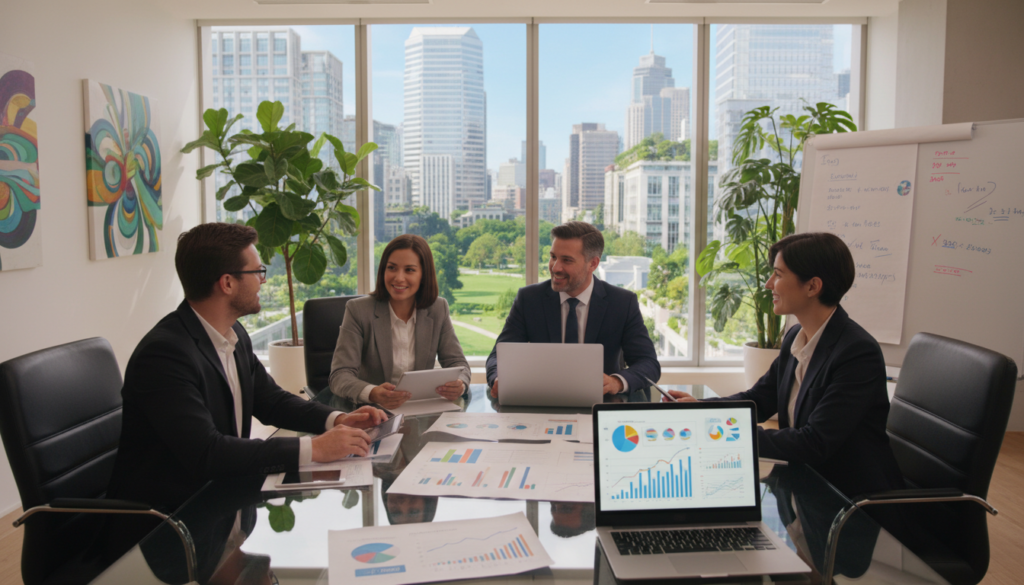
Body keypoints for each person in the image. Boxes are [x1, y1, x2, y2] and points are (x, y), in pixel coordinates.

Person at [106, 223, 385, 553]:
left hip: (221, 507)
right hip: (168, 529)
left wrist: (336, 419)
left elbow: (269, 400)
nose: (263, 281)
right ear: (227, 283)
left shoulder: (231, 334)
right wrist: (315, 450)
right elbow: (207, 453)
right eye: (257, 271)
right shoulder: (165, 355)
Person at [666, 232, 904, 497]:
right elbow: (759, 398)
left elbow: (814, 443)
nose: (769, 284)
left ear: (813, 286)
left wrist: (722, 433)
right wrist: (702, 412)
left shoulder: (857, 353)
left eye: (778, 275)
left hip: (849, 502)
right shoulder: (795, 335)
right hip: (805, 487)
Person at [486, 221, 660, 397]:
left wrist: (616, 382)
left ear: (593, 264)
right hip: (541, 404)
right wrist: (499, 379)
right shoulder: (529, 299)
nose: (555, 267)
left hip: (601, 406)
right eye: (553, 256)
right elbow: (498, 357)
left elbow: (648, 363)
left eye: (566, 260)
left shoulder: (622, 302)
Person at [329, 234, 471, 408]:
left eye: (409, 270)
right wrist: (372, 393)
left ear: (423, 275)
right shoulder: (358, 310)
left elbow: (458, 364)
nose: (398, 278)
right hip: (372, 412)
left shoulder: (438, 309)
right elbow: (339, 375)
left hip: (420, 410)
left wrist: (460, 384)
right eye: (392, 268)